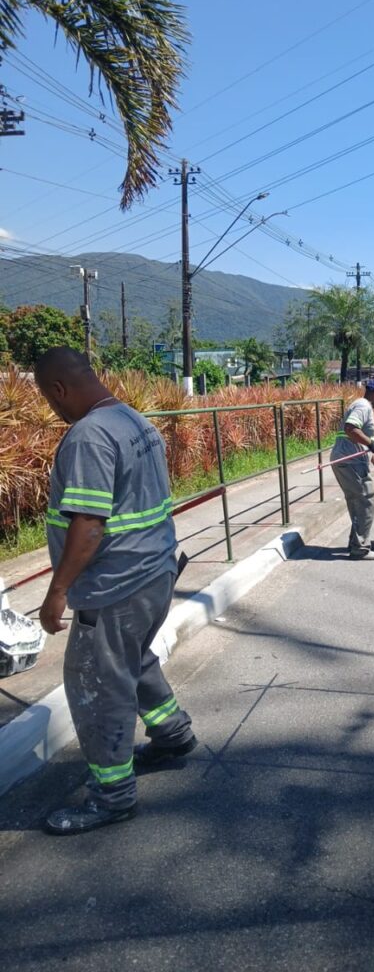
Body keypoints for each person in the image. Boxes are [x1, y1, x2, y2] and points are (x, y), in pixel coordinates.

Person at [34, 347, 195, 836]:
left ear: (59, 389)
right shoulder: (133, 420)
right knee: (132, 657)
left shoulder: (88, 436)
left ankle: (113, 797)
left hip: (114, 585)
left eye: (49, 398)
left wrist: (57, 591)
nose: (52, 409)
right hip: (155, 572)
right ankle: (172, 734)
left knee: (98, 684)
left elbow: (88, 522)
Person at [330, 377, 374, 560]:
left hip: (349, 459)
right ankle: (360, 548)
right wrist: (371, 442)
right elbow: (351, 429)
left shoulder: (361, 404)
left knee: (358, 502)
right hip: (350, 461)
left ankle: (357, 542)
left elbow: (359, 441)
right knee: (366, 501)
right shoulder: (363, 406)